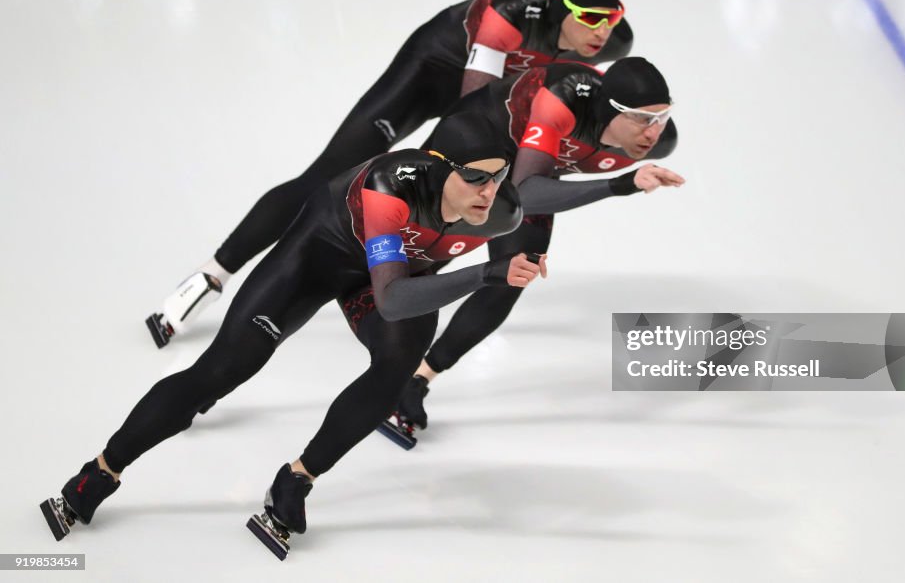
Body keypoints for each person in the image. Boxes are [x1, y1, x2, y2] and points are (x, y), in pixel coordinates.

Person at [40, 116, 547, 559]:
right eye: (476, 178)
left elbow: (542, 192)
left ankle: (296, 480)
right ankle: (100, 472)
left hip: (392, 277)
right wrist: (484, 274)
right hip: (318, 259)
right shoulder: (390, 185)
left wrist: (619, 184)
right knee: (222, 370)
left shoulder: (499, 208)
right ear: (439, 167)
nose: (489, 191)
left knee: (395, 369)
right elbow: (391, 300)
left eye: (498, 176)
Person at [148, 0, 631, 347]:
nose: (601, 30)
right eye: (589, 17)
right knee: (327, 176)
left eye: (612, 18)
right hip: (434, 73)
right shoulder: (510, 11)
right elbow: (466, 111)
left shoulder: (609, 41)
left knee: (448, 212)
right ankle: (210, 277)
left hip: (489, 105)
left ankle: (394, 324)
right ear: (558, 4)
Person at [386, 57, 683, 439]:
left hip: (533, 166)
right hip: (476, 147)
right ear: (612, 110)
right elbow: (526, 189)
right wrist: (620, 185)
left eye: (662, 118)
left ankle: (416, 379)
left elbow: (527, 189)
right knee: (422, 259)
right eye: (644, 119)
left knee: (511, 276)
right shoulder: (560, 101)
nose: (654, 132)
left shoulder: (660, 140)